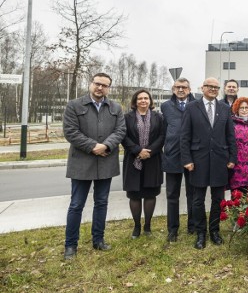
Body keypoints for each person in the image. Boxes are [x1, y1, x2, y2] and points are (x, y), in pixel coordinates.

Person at [62, 73, 126, 260]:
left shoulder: (115, 107)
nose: (100, 88)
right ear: (91, 84)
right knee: (76, 205)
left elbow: (120, 130)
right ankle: (70, 245)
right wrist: (93, 147)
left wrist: (105, 146)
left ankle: (98, 240)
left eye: (104, 85)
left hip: (106, 161)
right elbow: (70, 132)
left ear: (108, 88)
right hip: (81, 162)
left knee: (102, 203)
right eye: (97, 84)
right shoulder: (74, 105)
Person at [181, 77, 237, 249]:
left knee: (218, 199)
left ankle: (214, 231)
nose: (213, 89)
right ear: (202, 87)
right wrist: (187, 160)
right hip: (198, 161)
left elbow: (230, 136)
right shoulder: (191, 107)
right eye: (210, 86)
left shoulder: (225, 108)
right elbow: (184, 136)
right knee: (197, 200)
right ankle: (200, 233)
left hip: (220, 161)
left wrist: (232, 158)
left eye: (216, 87)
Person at [122, 89, 165, 238]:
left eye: (146, 98)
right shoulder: (127, 117)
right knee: (134, 195)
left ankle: (147, 226)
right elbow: (123, 136)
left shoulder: (158, 117)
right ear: (135, 101)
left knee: (150, 194)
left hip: (153, 160)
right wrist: (137, 150)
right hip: (133, 160)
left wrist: (150, 151)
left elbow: (162, 136)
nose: (143, 101)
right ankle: (136, 227)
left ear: (150, 101)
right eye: (140, 98)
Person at [162, 77, 196, 242]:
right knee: (172, 195)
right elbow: (163, 131)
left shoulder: (197, 105)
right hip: (172, 156)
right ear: (173, 89)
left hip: (192, 157)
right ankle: (172, 229)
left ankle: (192, 226)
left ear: (189, 89)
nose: (181, 90)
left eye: (184, 87)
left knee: (193, 194)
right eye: (177, 87)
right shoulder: (166, 106)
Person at [229, 97, 248, 193]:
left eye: (247, 108)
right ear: (237, 109)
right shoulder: (231, 123)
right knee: (236, 197)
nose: (244, 110)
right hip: (236, 165)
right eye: (242, 108)